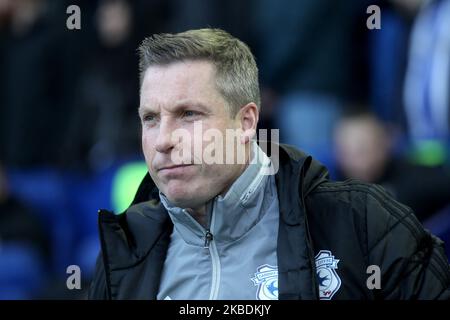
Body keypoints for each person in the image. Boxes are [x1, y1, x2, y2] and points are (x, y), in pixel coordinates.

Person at [89, 28, 450, 300]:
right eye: (150, 118)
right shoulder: (125, 250)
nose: (164, 139)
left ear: (246, 122)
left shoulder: (362, 224)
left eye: (188, 114)